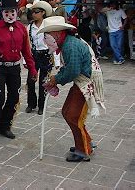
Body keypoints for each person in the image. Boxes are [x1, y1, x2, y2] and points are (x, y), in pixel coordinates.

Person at [39, 16, 105, 162]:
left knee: (72, 115)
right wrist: (56, 79)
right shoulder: (68, 44)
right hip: (81, 81)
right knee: (68, 112)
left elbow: (73, 70)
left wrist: (56, 79)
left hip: (86, 82)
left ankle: (83, 150)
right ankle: (85, 142)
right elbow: (70, 68)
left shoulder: (70, 45)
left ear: (56, 34)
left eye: (46, 37)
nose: (45, 41)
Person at [0, 0, 38, 141]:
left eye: (12, 12)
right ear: (2, 13)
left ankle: (5, 126)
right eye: (6, 12)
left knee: (14, 97)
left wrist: (32, 69)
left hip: (14, 68)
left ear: (16, 12)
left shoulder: (21, 28)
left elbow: (27, 51)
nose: (9, 15)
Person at [25, 0, 54, 115]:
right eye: (33, 12)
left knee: (43, 81)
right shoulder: (29, 27)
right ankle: (31, 104)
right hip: (34, 55)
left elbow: (53, 43)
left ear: (43, 13)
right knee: (30, 80)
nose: (34, 14)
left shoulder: (48, 26)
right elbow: (26, 44)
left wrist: (56, 61)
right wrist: (25, 60)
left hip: (46, 55)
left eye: (36, 12)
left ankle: (42, 106)